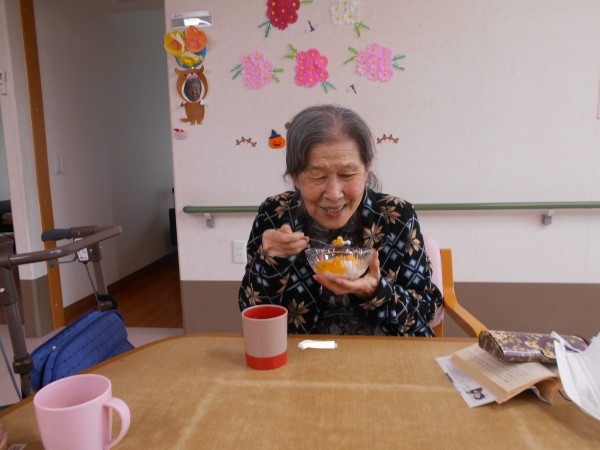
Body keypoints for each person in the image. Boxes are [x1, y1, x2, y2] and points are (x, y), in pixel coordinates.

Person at [238, 104, 443, 336]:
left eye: (347, 174)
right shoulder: (275, 215)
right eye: (317, 176)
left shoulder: (397, 216)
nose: (334, 194)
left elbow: (427, 310)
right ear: (295, 177)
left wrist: (377, 291)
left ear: (366, 170)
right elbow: (250, 308)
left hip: (388, 351)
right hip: (301, 352)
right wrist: (270, 262)